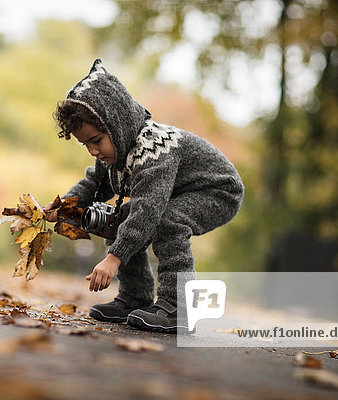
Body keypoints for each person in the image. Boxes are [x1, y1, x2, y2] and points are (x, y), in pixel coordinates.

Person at [44, 59, 244, 333]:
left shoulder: (154, 147)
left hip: (217, 190)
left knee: (167, 222)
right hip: (176, 192)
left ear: (117, 125)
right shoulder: (116, 151)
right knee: (120, 220)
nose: (92, 151)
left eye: (96, 140)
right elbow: (93, 185)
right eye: (85, 144)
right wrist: (63, 207)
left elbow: (148, 210)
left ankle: (178, 306)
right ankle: (134, 297)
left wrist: (114, 259)